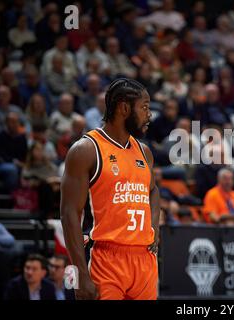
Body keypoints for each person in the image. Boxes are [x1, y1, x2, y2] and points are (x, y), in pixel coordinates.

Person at [61, 78, 160, 300]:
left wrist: (155, 227)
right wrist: (79, 275)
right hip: (107, 259)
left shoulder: (144, 152)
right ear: (124, 108)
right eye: (144, 107)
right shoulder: (86, 150)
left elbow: (153, 190)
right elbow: (69, 215)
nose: (149, 114)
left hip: (144, 260)